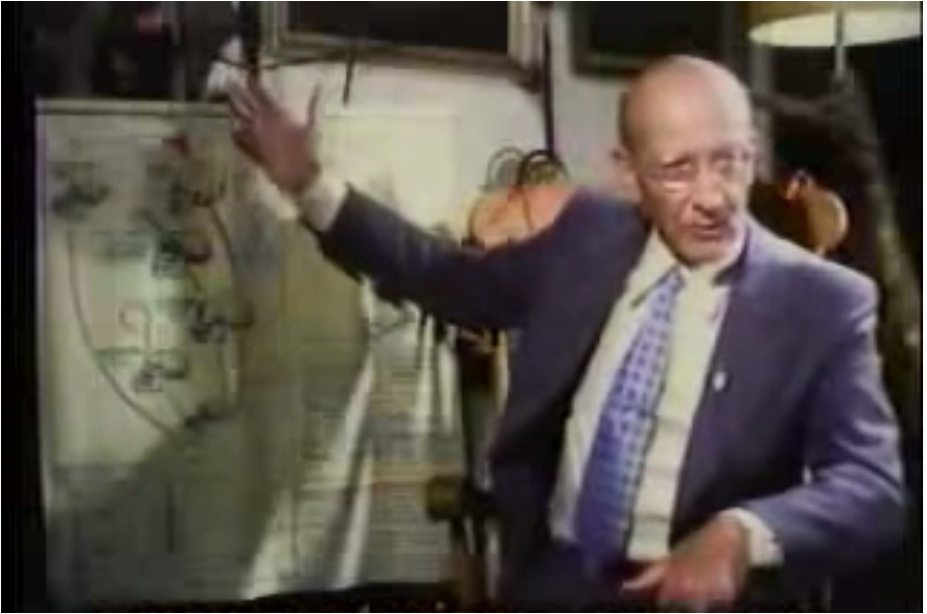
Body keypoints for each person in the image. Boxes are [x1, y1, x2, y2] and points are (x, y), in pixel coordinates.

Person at [227, 56, 904, 610]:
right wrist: (309, 183)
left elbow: (873, 487)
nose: (711, 196)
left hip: (698, 597)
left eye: (729, 162)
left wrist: (743, 534)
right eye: (677, 169)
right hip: (553, 581)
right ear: (627, 172)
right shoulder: (590, 234)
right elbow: (449, 281)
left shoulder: (822, 300)